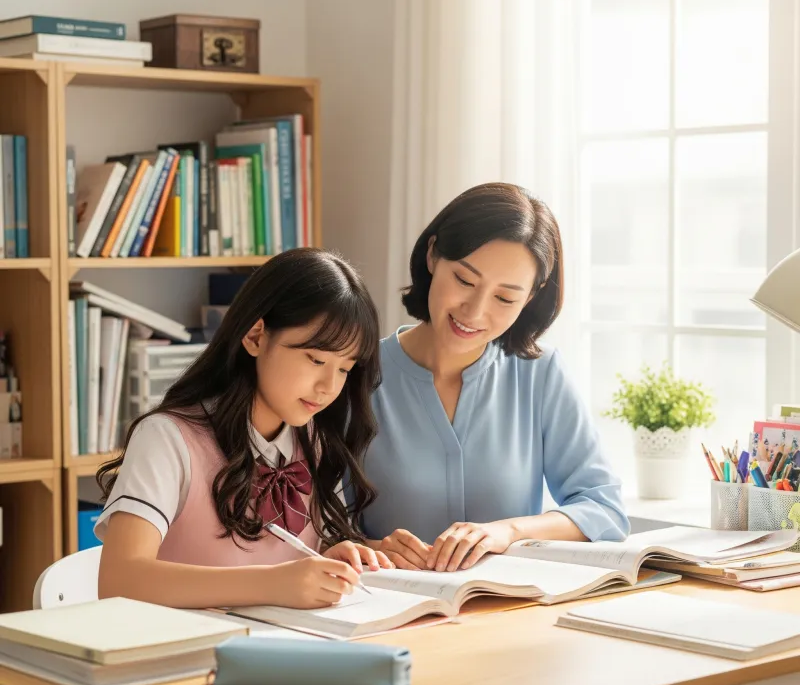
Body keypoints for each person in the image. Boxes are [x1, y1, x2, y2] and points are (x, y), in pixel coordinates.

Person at [96, 248, 392, 611]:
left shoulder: (313, 442)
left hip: (286, 643)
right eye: (316, 360)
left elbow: (298, 563)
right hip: (186, 644)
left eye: (345, 368)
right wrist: (272, 583)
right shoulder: (168, 439)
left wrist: (335, 558)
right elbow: (119, 580)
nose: (329, 386)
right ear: (255, 336)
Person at [359, 182, 630, 572]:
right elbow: (315, 526)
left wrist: (509, 531)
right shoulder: (355, 376)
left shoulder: (541, 373)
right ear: (433, 255)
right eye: (465, 281)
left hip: (512, 603)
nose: (474, 312)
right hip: (387, 600)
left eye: (504, 298)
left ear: (530, 297)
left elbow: (604, 509)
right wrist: (371, 548)